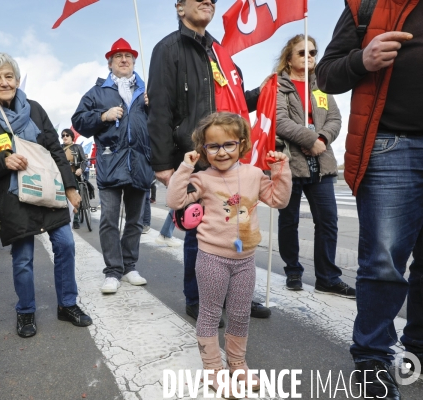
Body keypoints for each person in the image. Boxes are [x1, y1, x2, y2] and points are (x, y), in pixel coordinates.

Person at [316, 1, 423, 398]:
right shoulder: (367, 4)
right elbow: (325, 74)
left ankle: (418, 349)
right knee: (384, 262)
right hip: (393, 143)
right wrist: (364, 58)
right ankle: (373, 357)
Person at [147, 0, 272, 322]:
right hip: (195, 158)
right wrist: (163, 164)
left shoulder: (220, 53)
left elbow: (236, 104)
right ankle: (199, 298)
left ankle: (236, 295)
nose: (208, 2)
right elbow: (159, 109)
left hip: (230, 161)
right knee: (198, 233)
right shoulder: (168, 49)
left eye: (213, 0)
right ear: (178, 7)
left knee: (237, 225)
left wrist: (266, 89)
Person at [0, 52, 92, 338]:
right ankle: (25, 311)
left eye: (8, 76)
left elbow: (55, 149)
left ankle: (67, 304)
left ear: (18, 79)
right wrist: (2, 161)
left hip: (47, 189)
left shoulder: (34, 109)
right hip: (13, 199)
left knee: (66, 245)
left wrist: (70, 187)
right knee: (22, 258)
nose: (3, 82)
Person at [167, 112, 291, 396]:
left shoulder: (254, 174)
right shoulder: (201, 178)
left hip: (246, 260)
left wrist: (282, 170)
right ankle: (213, 369)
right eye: (213, 146)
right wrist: (186, 167)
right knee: (210, 313)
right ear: (203, 149)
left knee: (240, 314)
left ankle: (237, 363)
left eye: (229, 145)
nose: (221, 152)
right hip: (212, 257)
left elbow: (279, 200)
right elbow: (175, 201)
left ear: (242, 144)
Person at [275, 35, 356, 298]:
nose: (309, 56)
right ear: (289, 58)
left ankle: (328, 278)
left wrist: (321, 140)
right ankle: (293, 271)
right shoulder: (278, 86)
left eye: (313, 52)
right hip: (290, 162)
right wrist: (310, 139)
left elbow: (334, 118)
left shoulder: (321, 85)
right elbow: (280, 121)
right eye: (302, 53)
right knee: (289, 221)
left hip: (321, 162)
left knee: (328, 221)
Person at [72, 38, 153, 294]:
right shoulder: (97, 92)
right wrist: (102, 116)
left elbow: (164, 123)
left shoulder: (147, 90)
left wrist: (156, 106)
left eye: (128, 56)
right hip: (110, 163)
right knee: (108, 220)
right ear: (110, 63)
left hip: (140, 163)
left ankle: (130, 267)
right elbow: (78, 121)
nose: (124, 59)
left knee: (135, 221)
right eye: (118, 56)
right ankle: (113, 271)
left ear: (134, 61)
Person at [61, 128, 87, 229]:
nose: (65, 137)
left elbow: (84, 161)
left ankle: (75, 219)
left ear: (72, 136)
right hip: (62, 174)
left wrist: (80, 169)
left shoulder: (77, 147)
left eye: (67, 135)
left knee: (75, 193)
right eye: (63, 136)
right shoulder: (59, 147)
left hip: (74, 174)